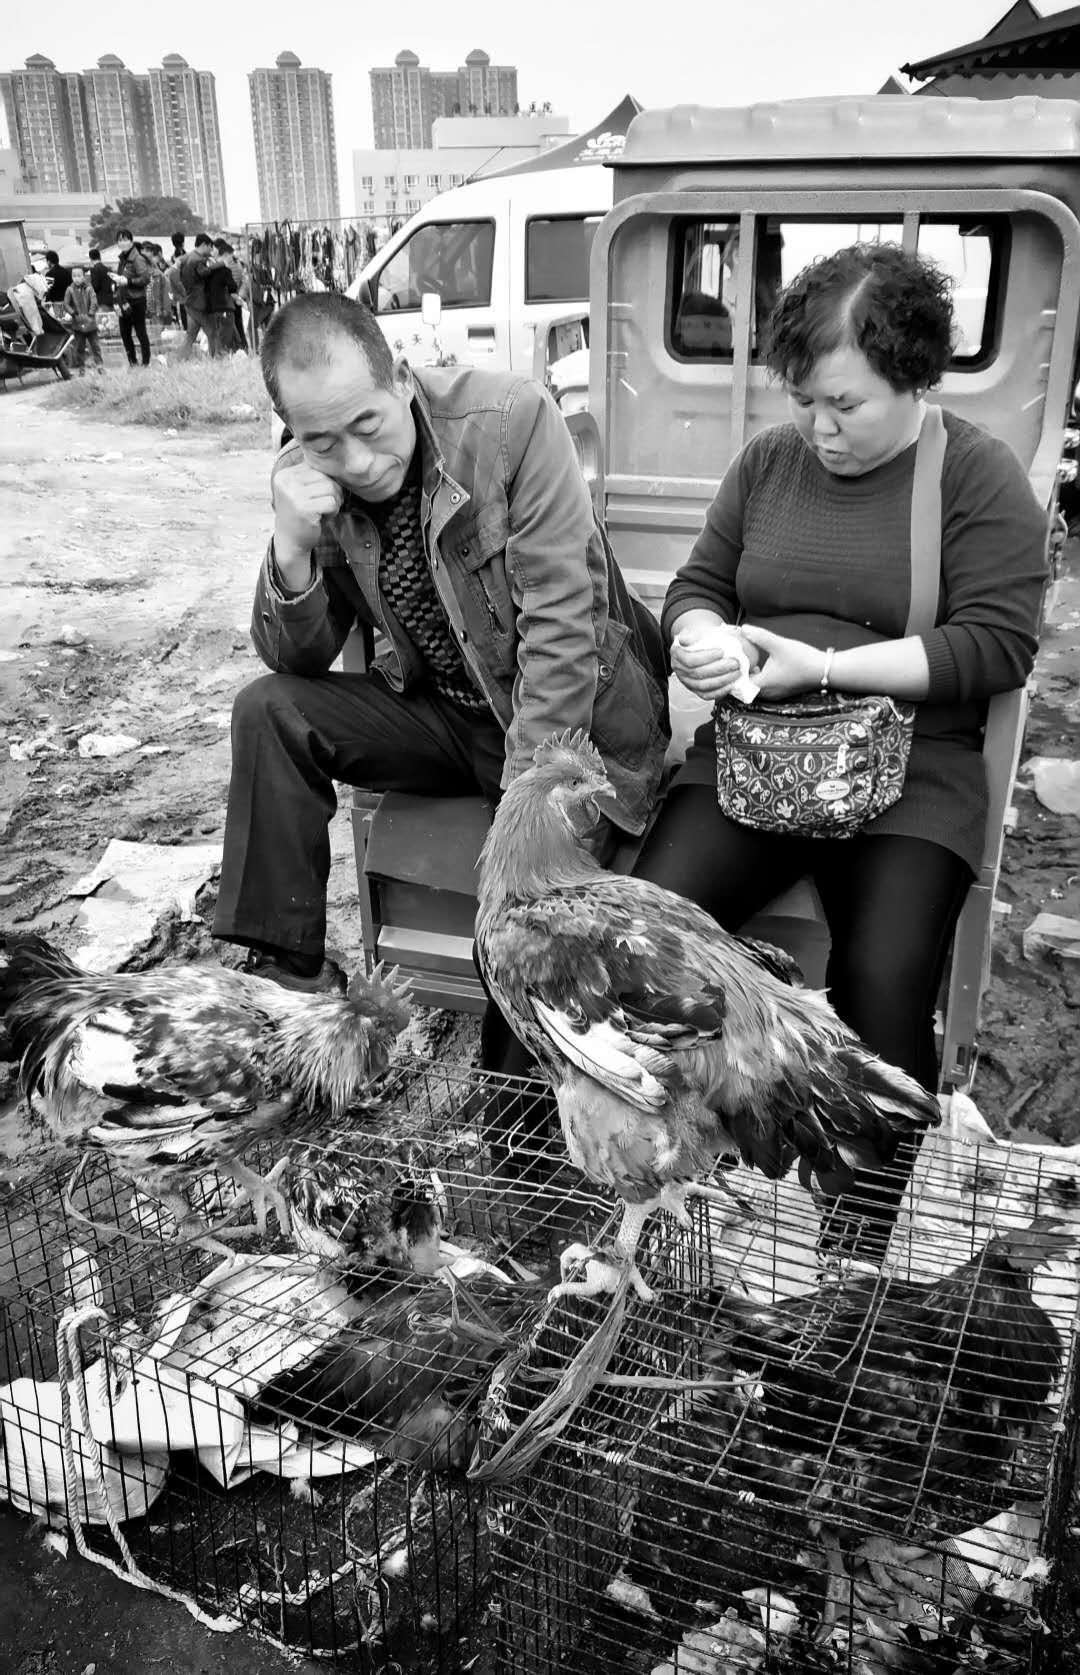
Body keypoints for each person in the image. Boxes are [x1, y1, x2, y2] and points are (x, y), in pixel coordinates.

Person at [633, 242, 1047, 1254]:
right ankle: (656, 1162)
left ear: (914, 377)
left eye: (845, 406)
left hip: (912, 771)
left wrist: (824, 667)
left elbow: (995, 647)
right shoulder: (769, 463)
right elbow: (700, 582)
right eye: (806, 399)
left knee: (886, 974)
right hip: (760, 759)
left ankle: (856, 1238)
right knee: (648, 930)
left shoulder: (976, 476)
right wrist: (700, 636)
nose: (819, 427)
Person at [212, 291, 668, 1007]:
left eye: (368, 424)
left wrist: (521, 837)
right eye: (323, 441)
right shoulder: (306, 477)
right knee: (267, 712)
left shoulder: (511, 423)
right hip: (445, 718)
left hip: (568, 729)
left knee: (533, 943)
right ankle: (287, 982)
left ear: (399, 376)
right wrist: (291, 543)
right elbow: (294, 659)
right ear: (293, 430)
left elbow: (561, 633)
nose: (357, 461)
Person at [176, 233, 227, 359]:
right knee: (212, 332)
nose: (211, 251)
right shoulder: (197, 260)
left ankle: (179, 360)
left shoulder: (186, 257)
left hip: (190, 301)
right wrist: (220, 264)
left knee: (191, 335)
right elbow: (204, 273)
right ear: (204, 245)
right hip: (200, 302)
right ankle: (216, 358)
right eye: (210, 248)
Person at [113, 229, 152, 367]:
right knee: (125, 334)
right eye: (120, 240)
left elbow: (145, 278)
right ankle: (133, 363)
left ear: (131, 241)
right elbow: (121, 281)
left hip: (136, 300)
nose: (122, 243)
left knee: (141, 332)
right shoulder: (122, 259)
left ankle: (146, 363)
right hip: (124, 301)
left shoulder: (137, 258)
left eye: (125, 240)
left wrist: (128, 282)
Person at [61, 263, 104, 375]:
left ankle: (99, 365)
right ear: (72, 277)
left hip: (90, 321)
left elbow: (94, 302)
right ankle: (81, 367)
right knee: (79, 347)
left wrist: (90, 313)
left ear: (84, 276)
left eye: (79, 276)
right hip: (77, 322)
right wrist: (72, 313)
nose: (77, 278)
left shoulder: (89, 288)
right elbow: (66, 304)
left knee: (95, 345)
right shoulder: (69, 290)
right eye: (74, 276)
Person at [214, 238, 248, 351]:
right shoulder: (237, 262)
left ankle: (238, 349)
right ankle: (242, 348)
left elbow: (231, 285)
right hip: (235, 298)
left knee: (233, 328)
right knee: (238, 327)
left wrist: (236, 296)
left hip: (229, 300)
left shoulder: (225, 266)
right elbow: (241, 280)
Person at [205, 248, 239, 352]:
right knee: (225, 337)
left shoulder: (206, 273)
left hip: (211, 309)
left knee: (215, 335)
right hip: (225, 307)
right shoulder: (224, 271)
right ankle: (222, 356)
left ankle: (215, 357)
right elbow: (233, 287)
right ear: (223, 256)